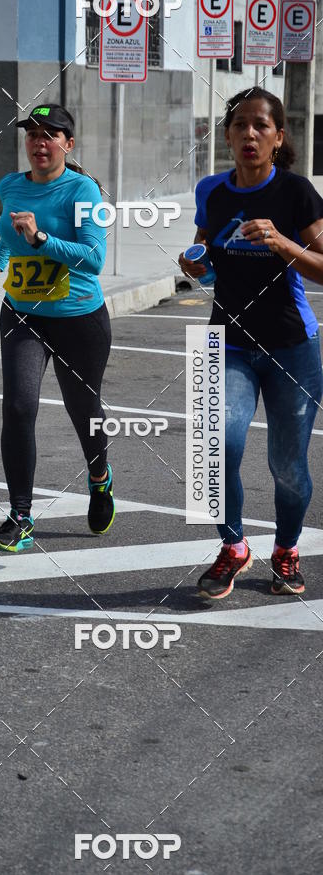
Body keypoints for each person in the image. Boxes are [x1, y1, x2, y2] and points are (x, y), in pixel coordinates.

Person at [179, 87, 323, 599]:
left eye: (261, 126)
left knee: (287, 465)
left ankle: (286, 548)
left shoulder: (296, 192)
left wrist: (284, 243)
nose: (249, 134)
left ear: (278, 137)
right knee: (213, 450)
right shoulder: (212, 192)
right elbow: (208, 257)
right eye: (239, 125)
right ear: (227, 135)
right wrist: (195, 265)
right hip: (225, 341)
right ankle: (234, 546)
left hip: (292, 346)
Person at [0, 103, 114, 553]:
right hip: (22, 313)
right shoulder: (11, 185)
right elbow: (8, 235)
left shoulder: (83, 192)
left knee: (83, 409)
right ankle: (20, 516)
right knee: (17, 407)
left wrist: (41, 241)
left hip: (78, 317)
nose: (39, 142)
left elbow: (94, 260)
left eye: (49, 134)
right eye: (32, 134)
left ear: (67, 144)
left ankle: (99, 477)